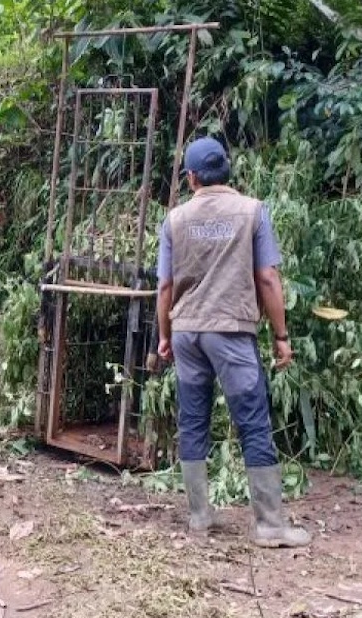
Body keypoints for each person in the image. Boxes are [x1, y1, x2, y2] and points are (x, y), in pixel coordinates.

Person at [156, 136, 311, 548]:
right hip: (231, 332)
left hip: (187, 332)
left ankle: (199, 515)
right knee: (252, 418)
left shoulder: (174, 220)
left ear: (191, 178)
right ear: (228, 169)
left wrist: (164, 336)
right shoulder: (252, 212)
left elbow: (165, 286)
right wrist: (281, 336)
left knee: (192, 418)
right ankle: (270, 525)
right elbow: (267, 279)